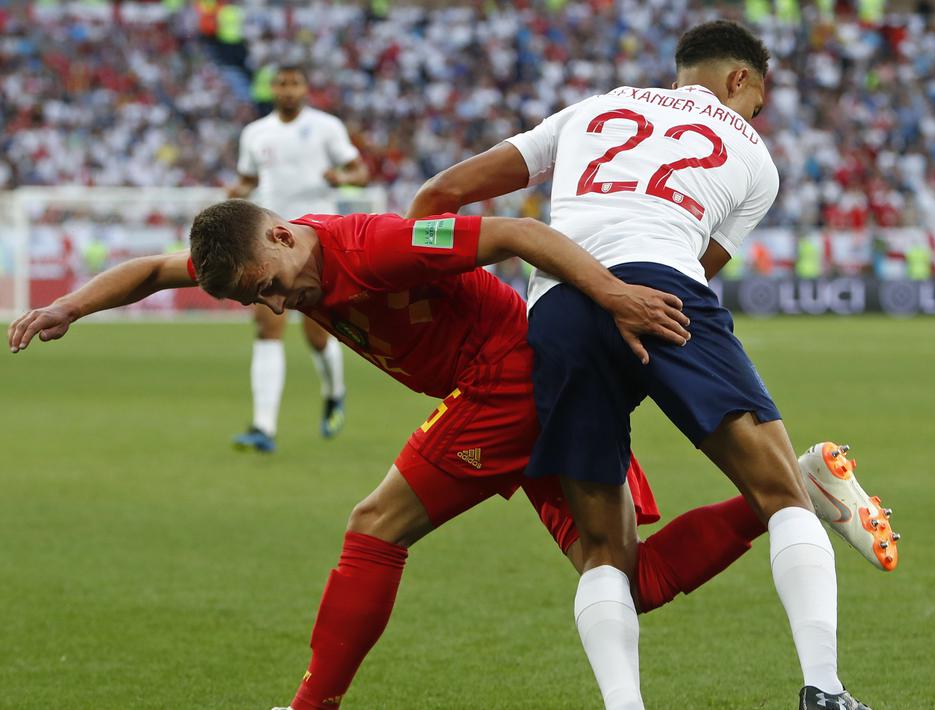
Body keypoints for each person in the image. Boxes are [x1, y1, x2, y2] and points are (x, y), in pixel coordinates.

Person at [8, 200, 864, 709]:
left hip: (510, 379)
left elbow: (516, 232)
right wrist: (69, 309)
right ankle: (793, 491)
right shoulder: (266, 264)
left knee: (374, 525)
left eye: (267, 286)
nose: (272, 303)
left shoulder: (370, 245)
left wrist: (607, 293)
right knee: (623, 579)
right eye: (254, 301)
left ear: (277, 238)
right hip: (522, 393)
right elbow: (158, 269)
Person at [410, 20, 895, 710]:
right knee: (783, 492)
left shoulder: (588, 110)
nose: (756, 113)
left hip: (560, 312)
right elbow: (698, 268)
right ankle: (824, 689)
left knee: (605, 549)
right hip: (664, 292)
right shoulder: (754, 156)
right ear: (738, 80)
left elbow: (438, 197)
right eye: (757, 98)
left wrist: (446, 299)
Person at [225, 64, 370, 452]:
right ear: (272, 88)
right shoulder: (255, 134)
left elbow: (360, 172)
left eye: (295, 82)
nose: (288, 90)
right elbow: (249, 179)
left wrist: (342, 178)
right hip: (268, 240)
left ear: (305, 87)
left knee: (317, 336)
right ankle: (263, 427)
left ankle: (334, 392)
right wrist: (236, 190)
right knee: (267, 327)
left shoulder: (326, 127)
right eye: (282, 83)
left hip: (315, 239)